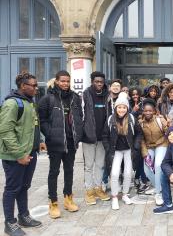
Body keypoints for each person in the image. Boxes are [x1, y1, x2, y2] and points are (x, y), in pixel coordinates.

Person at [0, 73, 42, 236]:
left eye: (36, 85)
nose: (36, 88)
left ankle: (24, 216)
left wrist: (39, 141)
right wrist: (19, 154)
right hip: (15, 156)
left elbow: (32, 125)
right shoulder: (12, 103)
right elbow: (5, 130)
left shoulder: (29, 102)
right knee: (12, 188)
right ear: (23, 86)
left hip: (30, 152)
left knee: (24, 186)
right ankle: (9, 223)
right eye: (33, 85)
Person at [38, 70, 83, 219]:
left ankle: (68, 198)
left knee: (69, 170)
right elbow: (42, 120)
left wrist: (79, 134)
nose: (65, 83)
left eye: (67, 81)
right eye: (62, 81)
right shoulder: (47, 99)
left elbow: (79, 117)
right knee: (54, 172)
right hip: (55, 142)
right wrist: (49, 134)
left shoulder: (75, 98)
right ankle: (53, 202)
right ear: (56, 81)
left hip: (71, 142)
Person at [102, 92, 142, 210]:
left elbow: (139, 133)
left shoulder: (131, 118)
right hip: (116, 151)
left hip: (129, 150)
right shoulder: (110, 119)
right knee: (114, 173)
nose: (121, 109)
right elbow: (105, 135)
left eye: (124, 107)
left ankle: (124, 194)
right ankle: (115, 196)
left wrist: (136, 146)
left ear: (127, 108)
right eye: (119, 107)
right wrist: (108, 148)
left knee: (128, 173)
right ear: (116, 108)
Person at [82, 71, 110, 205]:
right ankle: (89, 191)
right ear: (92, 81)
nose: (99, 84)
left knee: (100, 164)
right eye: (96, 81)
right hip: (89, 136)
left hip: (102, 136)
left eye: (101, 82)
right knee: (88, 165)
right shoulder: (85, 95)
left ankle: (98, 188)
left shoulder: (107, 96)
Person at [139, 98, 168, 206]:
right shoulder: (140, 123)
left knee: (158, 165)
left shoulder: (160, 120)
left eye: (150, 110)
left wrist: (168, 124)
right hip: (149, 146)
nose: (148, 112)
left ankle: (159, 193)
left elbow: (168, 131)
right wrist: (145, 153)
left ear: (154, 111)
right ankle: (158, 186)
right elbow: (141, 140)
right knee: (147, 168)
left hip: (161, 144)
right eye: (145, 111)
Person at [102, 79, 123, 191]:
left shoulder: (123, 99)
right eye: (114, 85)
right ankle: (104, 181)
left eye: (118, 86)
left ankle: (118, 180)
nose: (116, 87)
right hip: (107, 130)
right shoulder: (106, 98)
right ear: (110, 87)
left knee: (119, 159)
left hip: (120, 132)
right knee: (107, 158)